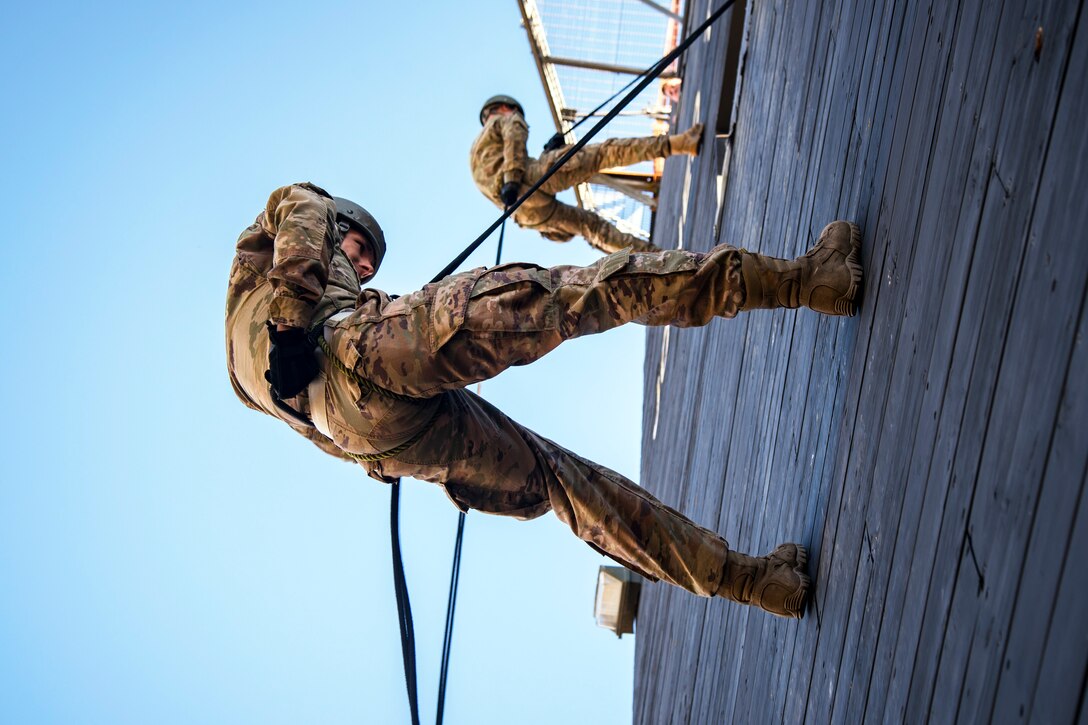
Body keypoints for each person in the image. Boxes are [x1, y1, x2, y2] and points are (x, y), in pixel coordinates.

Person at [224, 182, 864, 618]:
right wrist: (291, 325)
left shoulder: (246, 373)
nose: (361, 264)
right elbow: (301, 209)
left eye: (365, 262)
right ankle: (811, 280)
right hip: (360, 359)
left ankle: (759, 584)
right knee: (567, 298)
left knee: (566, 485)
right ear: (340, 224)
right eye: (357, 248)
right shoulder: (281, 249)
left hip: (375, 432)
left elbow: (310, 411)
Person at [469, 94, 704, 255]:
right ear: (502, 108)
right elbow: (514, 134)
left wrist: (547, 154)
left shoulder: (475, 156)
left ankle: (662, 259)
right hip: (528, 178)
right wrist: (513, 176)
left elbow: (504, 185)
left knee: (592, 228)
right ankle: (681, 143)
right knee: (604, 153)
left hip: (525, 213)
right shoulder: (502, 119)